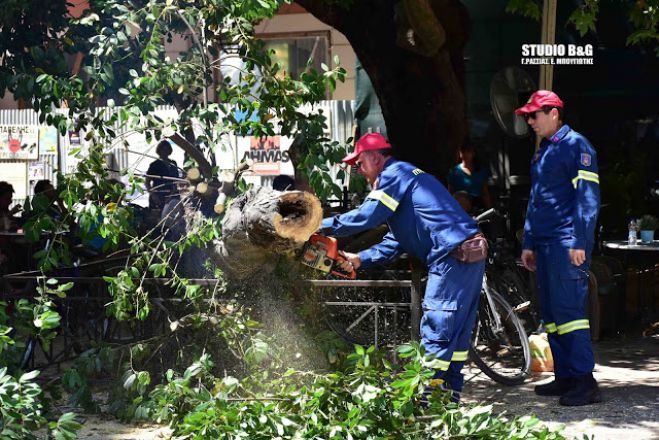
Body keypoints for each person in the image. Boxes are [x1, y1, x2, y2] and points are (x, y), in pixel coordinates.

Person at [320, 133, 487, 400]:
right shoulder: (407, 182)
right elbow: (394, 241)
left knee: (437, 330)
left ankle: (423, 406)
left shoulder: (394, 174)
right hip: (465, 256)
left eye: (360, 164)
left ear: (375, 158)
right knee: (454, 339)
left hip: (451, 257)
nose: (360, 171)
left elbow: (366, 216)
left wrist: (316, 225)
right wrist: (359, 259)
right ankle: (447, 406)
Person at [515, 90, 601, 406]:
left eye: (534, 115)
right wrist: (529, 243)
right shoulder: (544, 152)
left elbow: (587, 199)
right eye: (527, 116)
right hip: (546, 244)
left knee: (570, 314)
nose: (529, 121)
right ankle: (565, 377)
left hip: (567, 244)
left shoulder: (577, 146)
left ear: (554, 113)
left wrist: (579, 241)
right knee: (552, 315)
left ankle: (585, 382)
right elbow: (537, 202)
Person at [447, 144, 492, 210]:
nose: (465, 154)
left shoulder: (481, 171)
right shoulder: (454, 172)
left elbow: (485, 192)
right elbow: (450, 193)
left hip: (478, 206)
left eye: (468, 151)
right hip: (460, 206)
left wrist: (489, 209)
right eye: (463, 151)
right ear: (460, 154)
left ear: (473, 154)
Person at [146, 140, 180, 209]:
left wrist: (171, 196)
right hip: (158, 197)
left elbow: (176, 182)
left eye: (166, 149)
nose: (165, 151)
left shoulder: (173, 163)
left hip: (172, 196)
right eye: (163, 149)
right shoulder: (154, 165)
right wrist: (153, 195)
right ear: (159, 151)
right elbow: (147, 182)